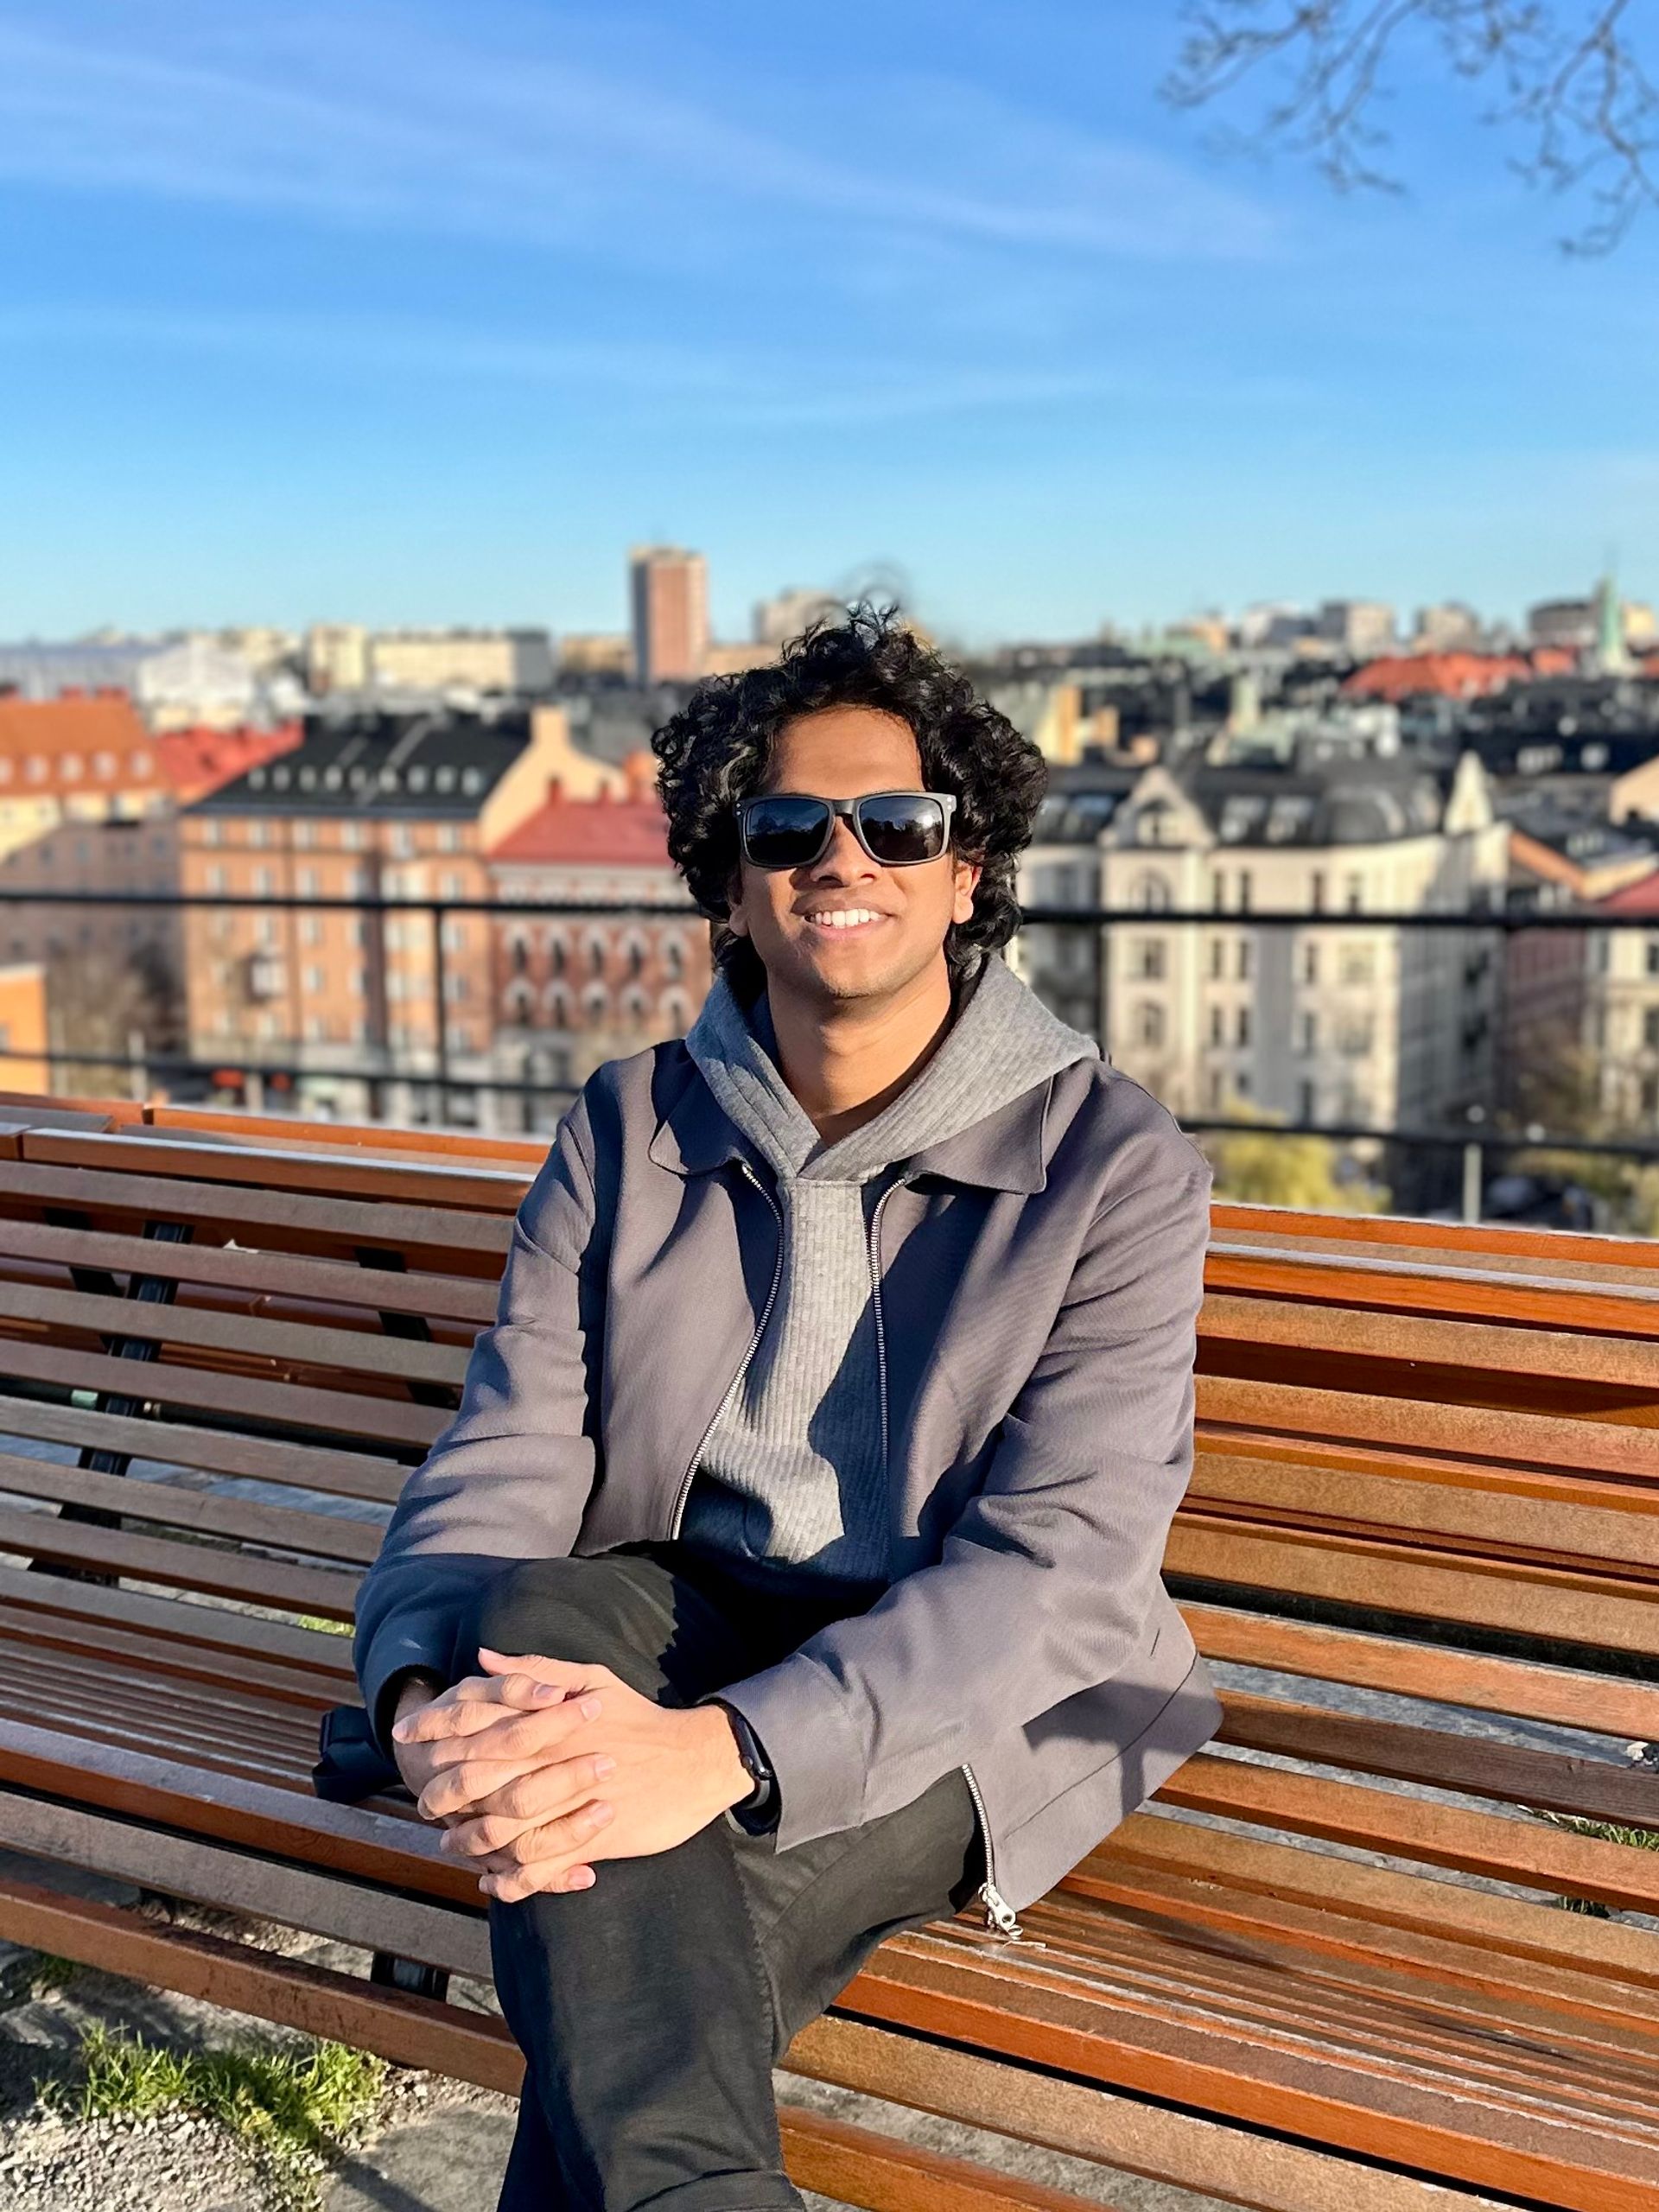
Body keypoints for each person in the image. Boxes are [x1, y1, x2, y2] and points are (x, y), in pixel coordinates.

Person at [353, 607, 1222, 2212]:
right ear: (734, 883)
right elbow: (509, 1455)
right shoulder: (629, 1125)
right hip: (683, 1622)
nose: (844, 860)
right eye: (787, 829)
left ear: (966, 877)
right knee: (538, 1623)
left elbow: (1063, 1575)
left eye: (896, 825)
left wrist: (732, 1752)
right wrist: (419, 1696)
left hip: (992, 1692)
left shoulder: (1115, 1165)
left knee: (629, 1929)